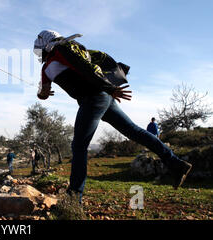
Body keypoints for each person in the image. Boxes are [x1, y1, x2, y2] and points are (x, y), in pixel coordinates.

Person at [33, 30, 192, 203]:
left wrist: (109, 88)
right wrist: (42, 92)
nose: (40, 54)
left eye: (39, 50)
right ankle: (176, 164)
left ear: (45, 44)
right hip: (103, 97)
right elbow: (44, 93)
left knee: (79, 146)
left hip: (93, 98)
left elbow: (81, 68)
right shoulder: (54, 61)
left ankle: (74, 197)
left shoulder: (59, 52)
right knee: (134, 131)